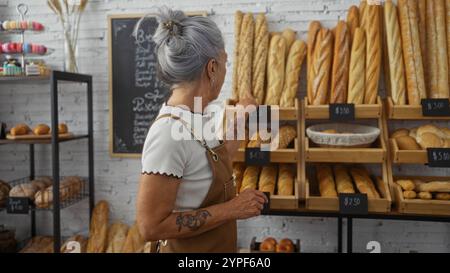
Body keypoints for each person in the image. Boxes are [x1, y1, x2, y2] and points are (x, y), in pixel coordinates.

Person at [136, 7, 267, 253]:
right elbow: (150, 227)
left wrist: (241, 119)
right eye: (225, 62)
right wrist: (233, 209)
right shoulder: (167, 133)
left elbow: (214, 159)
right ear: (212, 68)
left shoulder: (196, 115)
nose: (226, 71)